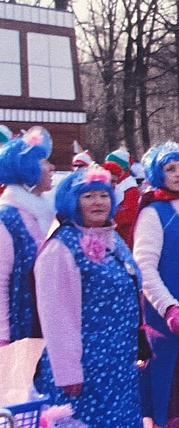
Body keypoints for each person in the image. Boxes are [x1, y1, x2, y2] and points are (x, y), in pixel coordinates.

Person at [34, 165, 143, 426]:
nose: (98, 202)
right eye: (89, 196)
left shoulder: (112, 238)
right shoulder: (61, 247)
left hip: (118, 365)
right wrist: (68, 372)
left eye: (104, 195)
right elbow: (56, 318)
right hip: (84, 369)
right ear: (73, 201)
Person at [132, 141, 179, 427]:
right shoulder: (153, 213)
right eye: (170, 169)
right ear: (158, 174)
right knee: (168, 390)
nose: (178, 174)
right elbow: (144, 268)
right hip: (164, 319)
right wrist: (169, 308)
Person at [0, 126, 55, 346]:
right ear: (27, 168)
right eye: (44, 162)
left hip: (48, 324)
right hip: (21, 331)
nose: (52, 168)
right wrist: (3, 337)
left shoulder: (47, 212)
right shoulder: (7, 217)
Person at [105, 147, 141, 247]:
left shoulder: (130, 187)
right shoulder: (115, 184)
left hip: (125, 238)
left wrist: (109, 221)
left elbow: (130, 214)